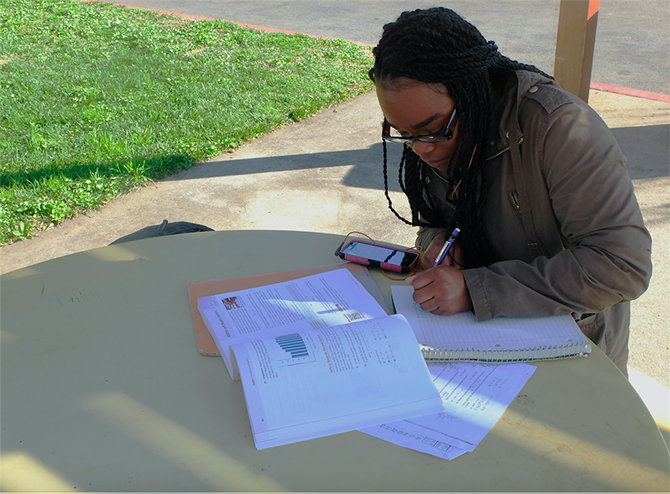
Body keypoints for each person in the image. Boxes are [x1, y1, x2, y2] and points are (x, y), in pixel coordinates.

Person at [368, 7, 652, 376]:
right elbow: (438, 219)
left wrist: (476, 289)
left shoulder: (561, 128)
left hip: (576, 350)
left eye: (433, 130)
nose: (421, 149)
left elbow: (623, 266)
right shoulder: (440, 131)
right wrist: (437, 241)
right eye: (405, 135)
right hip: (478, 342)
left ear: (472, 95)